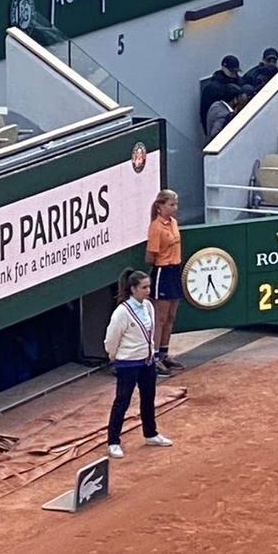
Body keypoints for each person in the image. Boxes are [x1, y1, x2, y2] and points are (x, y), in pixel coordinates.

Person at [104, 269, 174, 459]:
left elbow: (150, 335)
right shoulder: (121, 312)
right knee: (122, 401)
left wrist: (150, 353)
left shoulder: (149, 307)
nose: (148, 290)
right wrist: (114, 356)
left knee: (148, 397)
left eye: (149, 286)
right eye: (144, 287)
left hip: (147, 361)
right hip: (128, 364)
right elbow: (111, 339)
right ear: (133, 289)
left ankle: (151, 434)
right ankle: (113, 442)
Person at [145, 188, 184, 375]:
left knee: (171, 316)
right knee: (159, 318)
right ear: (160, 206)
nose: (174, 208)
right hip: (162, 271)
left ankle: (164, 353)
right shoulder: (155, 227)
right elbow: (150, 256)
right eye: (171, 204)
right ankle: (153, 358)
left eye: (175, 204)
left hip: (175, 270)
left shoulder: (174, 223)